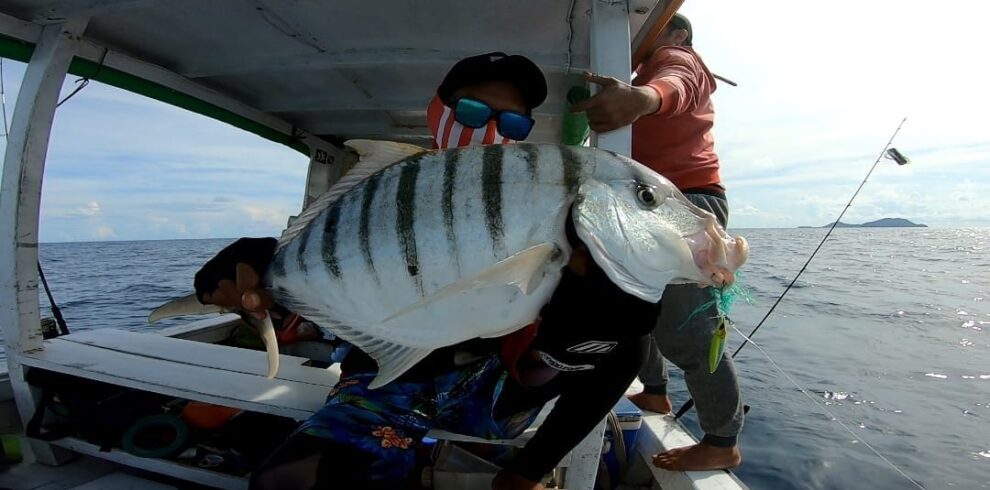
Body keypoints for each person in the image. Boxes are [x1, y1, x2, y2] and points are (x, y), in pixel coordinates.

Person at [194, 53, 660, 490]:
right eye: (473, 112)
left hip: (493, 384)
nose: (490, 129)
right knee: (287, 483)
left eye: (512, 122)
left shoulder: (533, 202)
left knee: (628, 334)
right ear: (438, 110)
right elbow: (340, 261)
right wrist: (265, 262)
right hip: (384, 384)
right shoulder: (382, 190)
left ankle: (523, 472)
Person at [571, 14, 744, 471]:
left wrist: (641, 98)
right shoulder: (642, 72)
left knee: (687, 331)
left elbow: (678, 81)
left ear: (679, 34)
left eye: (658, 29)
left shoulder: (677, 58)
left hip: (685, 207)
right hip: (647, 206)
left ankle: (722, 439)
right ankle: (655, 392)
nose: (643, 38)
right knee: (639, 312)